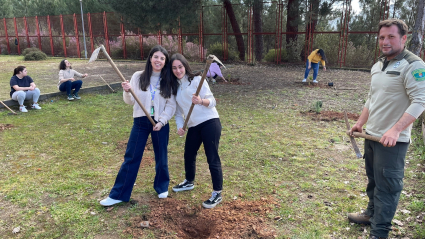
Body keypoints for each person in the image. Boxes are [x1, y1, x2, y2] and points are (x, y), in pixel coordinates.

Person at [347, 19, 425, 239]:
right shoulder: (378, 65)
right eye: (382, 37)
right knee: (373, 180)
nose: (385, 41)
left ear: (403, 38)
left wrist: (396, 130)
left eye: (391, 36)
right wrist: (361, 122)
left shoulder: (414, 65)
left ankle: (380, 233)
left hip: (392, 142)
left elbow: (420, 101)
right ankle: (371, 215)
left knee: (388, 187)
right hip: (371, 136)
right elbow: (372, 99)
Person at [100, 45, 177, 206]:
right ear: (150, 58)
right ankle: (119, 194)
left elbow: (171, 105)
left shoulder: (169, 80)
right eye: (156, 57)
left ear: (165, 62)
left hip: (160, 123)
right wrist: (127, 91)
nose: (159, 60)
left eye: (162, 58)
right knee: (132, 156)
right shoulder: (138, 76)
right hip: (141, 121)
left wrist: (161, 122)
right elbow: (130, 101)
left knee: (161, 157)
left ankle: (162, 186)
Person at [170, 53, 224, 209]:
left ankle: (217, 193)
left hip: (209, 122)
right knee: (189, 154)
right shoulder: (176, 87)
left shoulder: (197, 80)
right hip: (193, 125)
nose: (178, 70)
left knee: (212, 157)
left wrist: (200, 101)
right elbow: (178, 112)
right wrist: (180, 126)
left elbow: (212, 101)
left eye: (180, 67)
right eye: (174, 68)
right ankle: (189, 181)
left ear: (185, 66)